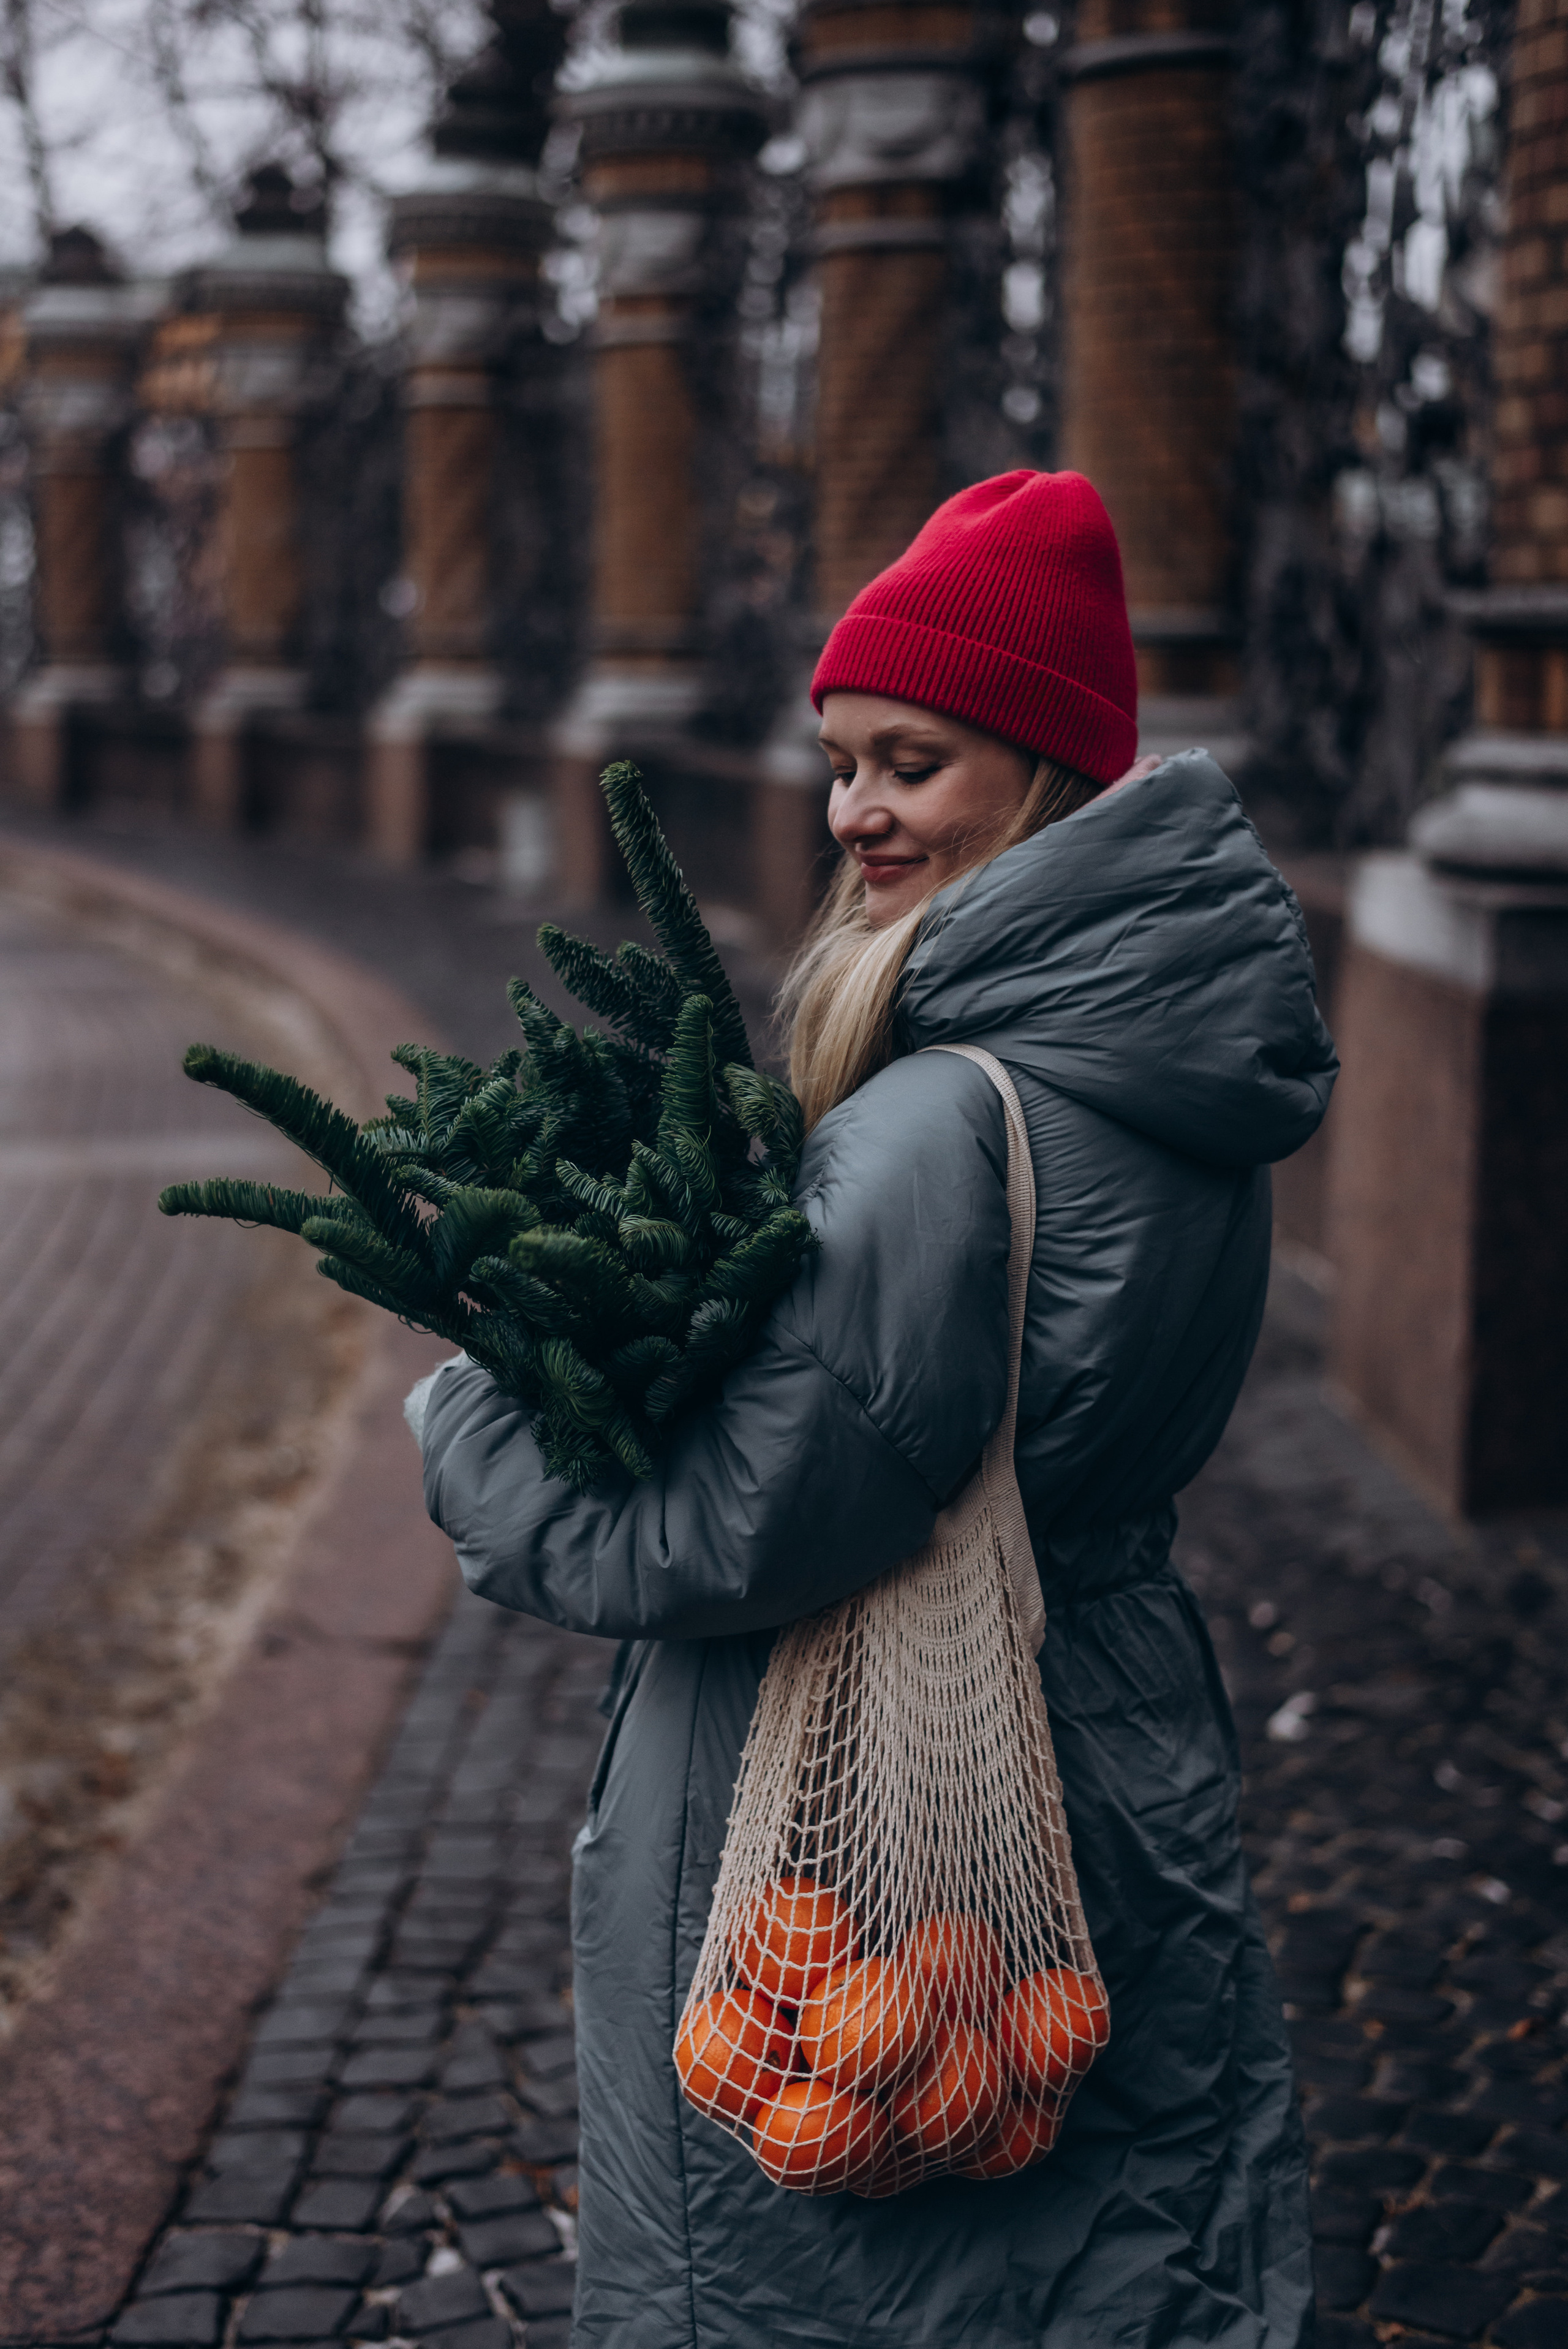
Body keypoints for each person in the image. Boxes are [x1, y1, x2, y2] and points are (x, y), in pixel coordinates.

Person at [420, 470, 1337, 2347]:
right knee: (1089, 2256)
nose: (857, 812)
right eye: (846, 762)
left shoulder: (941, 1120)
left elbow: (736, 1519)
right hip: (1108, 1713)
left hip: (867, 1789)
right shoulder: (1176, 1080)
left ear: (1042, 771)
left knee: (825, 2280)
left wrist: (471, 1425)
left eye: (912, 762)